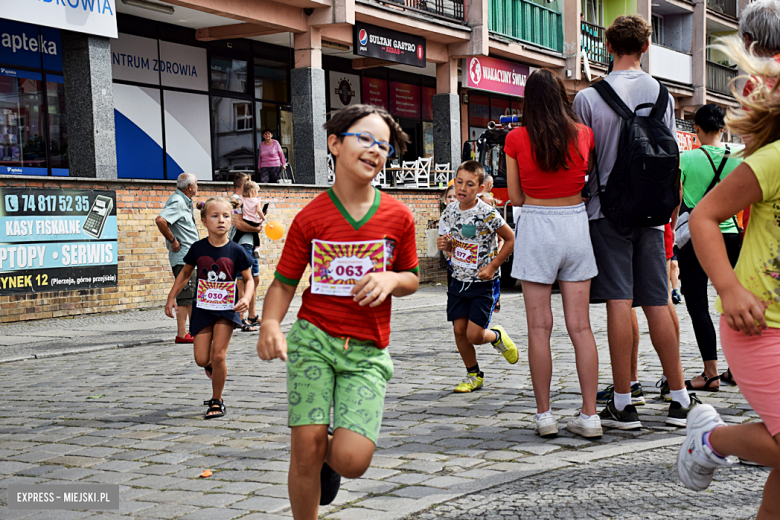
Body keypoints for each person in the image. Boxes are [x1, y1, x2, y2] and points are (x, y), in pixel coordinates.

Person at [256, 104, 420, 517]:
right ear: (334, 143)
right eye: (364, 139)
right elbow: (284, 284)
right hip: (313, 339)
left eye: (382, 145)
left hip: (367, 351)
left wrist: (391, 280)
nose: (375, 150)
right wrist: (271, 322)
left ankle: (330, 462)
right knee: (305, 447)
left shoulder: (399, 216)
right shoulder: (311, 217)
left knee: (352, 460)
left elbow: (412, 277)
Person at [573, 14, 696, 429]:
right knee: (657, 301)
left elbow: (584, 163)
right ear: (646, 47)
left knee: (619, 301)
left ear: (607, 48)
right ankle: (679, 398)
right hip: (653, 211)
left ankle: (623, 402)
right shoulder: (663, 95)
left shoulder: (589, 98)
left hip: (606, 211)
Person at [677, 37, 780, 513]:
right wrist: (729, 288)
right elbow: (702, 217)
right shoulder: (773, 159)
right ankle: (711, 440)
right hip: (759, 325)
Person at [505, 68, 601, 438]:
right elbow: (587, 179)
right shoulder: (584, 135)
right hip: (575, 224)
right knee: (581, 327)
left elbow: (514, 197)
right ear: (563, 97)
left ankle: (545, 415)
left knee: (538, 328)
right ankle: (590, 415)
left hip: (537, 225)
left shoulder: (515, 138)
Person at [164, 197, 254, 419]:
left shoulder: (237, 250)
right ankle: (212, 368)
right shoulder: (197, 248)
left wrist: (246, 298)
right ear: (204, 221)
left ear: (231, 221)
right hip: (203, 309)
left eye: (225, 216)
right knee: (202, 358)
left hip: (226, 309)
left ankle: (217, 400)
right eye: (215, 216)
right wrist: (171, 297)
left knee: (219, 354)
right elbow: (185, 273)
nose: (221, 220)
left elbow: (249, 279)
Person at [437, 160, 518, 393]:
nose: (462, 188)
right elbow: (449, 243)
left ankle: (496, 336)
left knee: (474, 334)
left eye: (470, 184)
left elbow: (510, 238)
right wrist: (445, 244)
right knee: (459, 332)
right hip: (458, 280)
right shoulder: (450, 210)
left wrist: (492, 267)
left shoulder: (486, 212)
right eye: (459, 182)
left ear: (480, 188)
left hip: (483, 283)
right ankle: (473, 375)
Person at [678, 104, 742, 393]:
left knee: (698, 305)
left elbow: (675, 200)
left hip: (696, 237)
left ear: (697, 130)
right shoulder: (739, 159)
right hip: (731, 236)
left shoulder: (685, 159)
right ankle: (737, 369)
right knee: (733, 304)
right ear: (723, 129)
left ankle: (711, 373)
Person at [155, 173, 200, 344]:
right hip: (183, 257)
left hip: (189, 255)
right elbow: (160, 220)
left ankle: (190, 331)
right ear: (190, 187)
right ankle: (182, 334)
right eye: (196, 185)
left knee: (189, 294)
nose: (197, 187)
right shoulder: (178, 201)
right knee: (185, 295)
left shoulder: (184, 202)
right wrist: (173, 240)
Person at [230, 174, 261, 332]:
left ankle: (252, 315)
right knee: (242, 281)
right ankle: (241, 319)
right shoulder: (236, 201)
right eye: (248, 183)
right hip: (242, 243)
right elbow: (238, 223)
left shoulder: (248, 201)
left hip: (251, 244)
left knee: (255, 279)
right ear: (242, 185)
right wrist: (256, 228)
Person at [231, 180, 266, 258]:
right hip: (255, 221)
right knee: (255, 235)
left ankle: (233, 245)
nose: (258, 194)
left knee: (238, 234)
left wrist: (235, 204)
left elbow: (238, 205)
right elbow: (259, 211)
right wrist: (263, 218)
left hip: (246, 219)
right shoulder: (257, 200)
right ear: (253, 192)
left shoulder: (243, 199)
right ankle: (257, 249)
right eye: (257, 191)